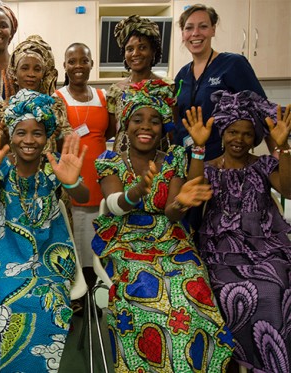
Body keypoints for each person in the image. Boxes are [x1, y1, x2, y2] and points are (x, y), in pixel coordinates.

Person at [91, 80, 234, 372]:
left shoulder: (173, 160)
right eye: (137, 120)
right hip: (126, 240)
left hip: (170, 239)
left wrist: (183, 196)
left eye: (155, 121)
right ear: (125, 125)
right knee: (147, 295)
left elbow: (171, 212)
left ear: (163, 127)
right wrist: (136, 192)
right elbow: (116, 204)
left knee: (189, 285)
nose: (146, 127)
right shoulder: (110, 162)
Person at [0, 89, 89, 372]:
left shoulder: (54, 168)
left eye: (37, 133)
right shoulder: (2, 168)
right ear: (10, 136)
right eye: (20, 132)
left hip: (52, 256)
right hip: (7, 256)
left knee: (50, 302)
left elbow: (83, 197)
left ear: (47, 136)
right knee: (10, 302)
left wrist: (71, 184)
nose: (28, 140)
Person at [183, 90, 291, 371]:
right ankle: (234, 361)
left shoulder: (264, 165)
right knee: (227, 290)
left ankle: (272, 362)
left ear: (254, 137)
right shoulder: (209, 168)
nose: (239, 140)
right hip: (221, 250)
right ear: (223, 132)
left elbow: (289, 190)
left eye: (246, 134)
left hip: (266, 247)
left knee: (277, 287)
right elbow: (194, 191)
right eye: (232, 132)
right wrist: (198, 147)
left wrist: (284, 146)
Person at [174, 4, 266, 161]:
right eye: (189, 28)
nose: (195, 33)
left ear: (213, 30)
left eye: (203, 26)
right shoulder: (182, 75)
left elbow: (263, 110)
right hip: (187, 161)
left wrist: (278, 153)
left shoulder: (233, 64)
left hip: (222, 163)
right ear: (183, 33)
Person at [54, 42, 114, 282]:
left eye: (84, 60)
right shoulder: (57, 98)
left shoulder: (103, 96)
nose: (78, 66)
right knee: (76, 241)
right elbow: (55, 139)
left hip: (102, 178)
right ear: (65, 66)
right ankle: (79, 294)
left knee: (99, 244)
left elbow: (109, 132)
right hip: (74, 180)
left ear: (91, 64)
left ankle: (97, 289)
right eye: (72, 61)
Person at [106, 15, 174, 152]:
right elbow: (113, 132)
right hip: (122, 164)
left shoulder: (167, 87)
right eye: (130, 49)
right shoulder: (116, 90)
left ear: (153, 51)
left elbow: (172, 132)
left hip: (157, 163)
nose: (135, 53)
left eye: (142, 47)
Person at [6, 34, 70, 153]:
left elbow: (66, 149)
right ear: (14, 72)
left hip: (50, 169)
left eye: (37, 69)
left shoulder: (55, 107)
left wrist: (59, 135)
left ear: (44, 74)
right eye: (25, 68)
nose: (31, 74)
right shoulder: (4, 108)